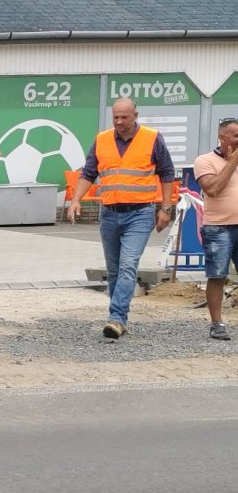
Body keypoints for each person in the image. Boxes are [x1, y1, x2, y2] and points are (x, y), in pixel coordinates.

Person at [65, 98, 179, 339]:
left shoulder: (152, 138)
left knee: (128, 265)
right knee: (115, 270)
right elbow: (89, 173)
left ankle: (116, 318)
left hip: (140, 213)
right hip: (109, 213)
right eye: (115, 117)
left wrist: (165, 208)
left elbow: (167, 173)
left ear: (135, 115)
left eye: (124, 117)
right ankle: (118, 317)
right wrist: (75, 200)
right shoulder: (102, 139)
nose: (119, 122)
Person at [192, 119, 238, 340]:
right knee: (218, 276)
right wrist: (233, 161)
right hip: (219, 228)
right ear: (222, 137)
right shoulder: (205, 161)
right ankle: (217, 324)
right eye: (236, 135)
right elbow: (213, 189)